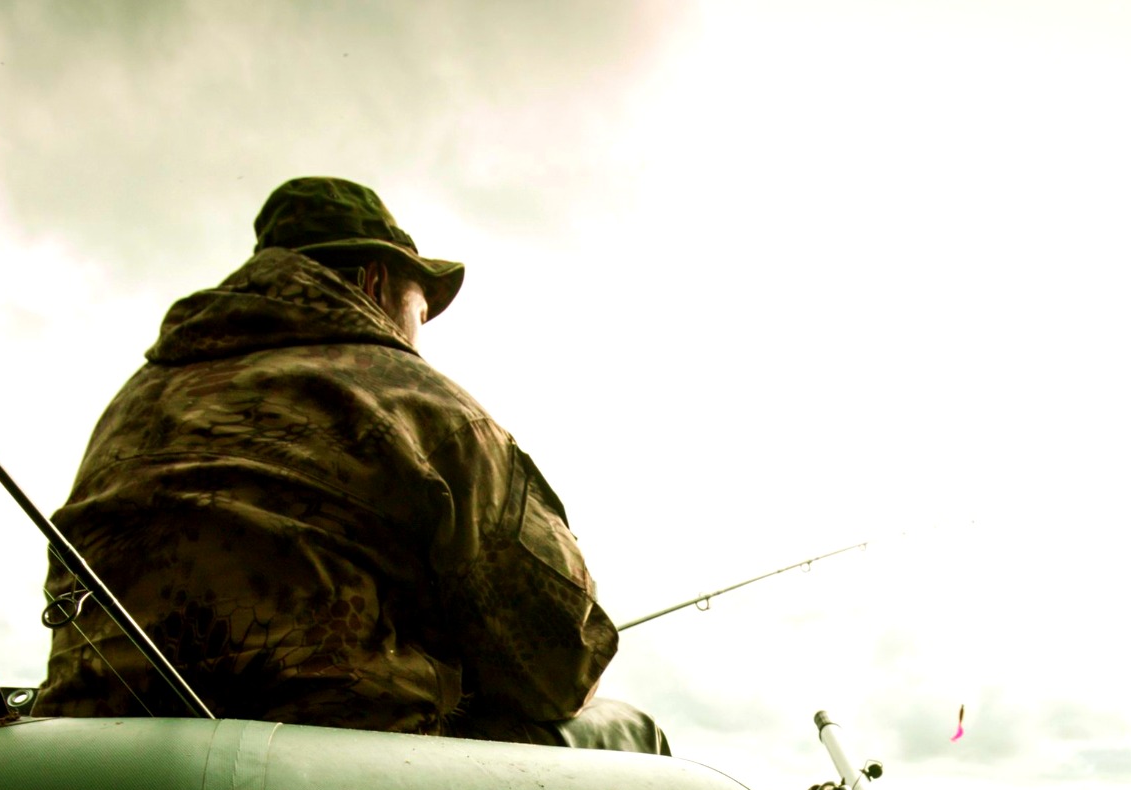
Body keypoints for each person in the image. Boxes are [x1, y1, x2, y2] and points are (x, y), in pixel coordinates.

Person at [32, 176, 667, 753]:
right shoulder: (425, 408)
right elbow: (560, 667)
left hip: (105, 751)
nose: (420, 334)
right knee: (634, 733)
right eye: (421, 309)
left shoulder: (134, 402)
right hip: (344, 775)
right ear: (373, 284)